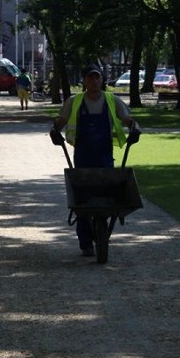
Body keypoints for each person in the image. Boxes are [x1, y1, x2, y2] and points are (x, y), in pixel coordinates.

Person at [53, 65, 138, 257]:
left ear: (103, 80)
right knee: (82, 199)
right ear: (83, 80)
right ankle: (86, 242)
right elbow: (62, 120)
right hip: (82, 154)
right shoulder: (74, 101)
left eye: (97, 77)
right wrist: (54, 130)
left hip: (104, 154)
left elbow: (127, 119)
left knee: (106, 195)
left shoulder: (112, 100)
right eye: (90, 77)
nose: (94, 81)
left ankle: (101, 234)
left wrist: (135, 128)